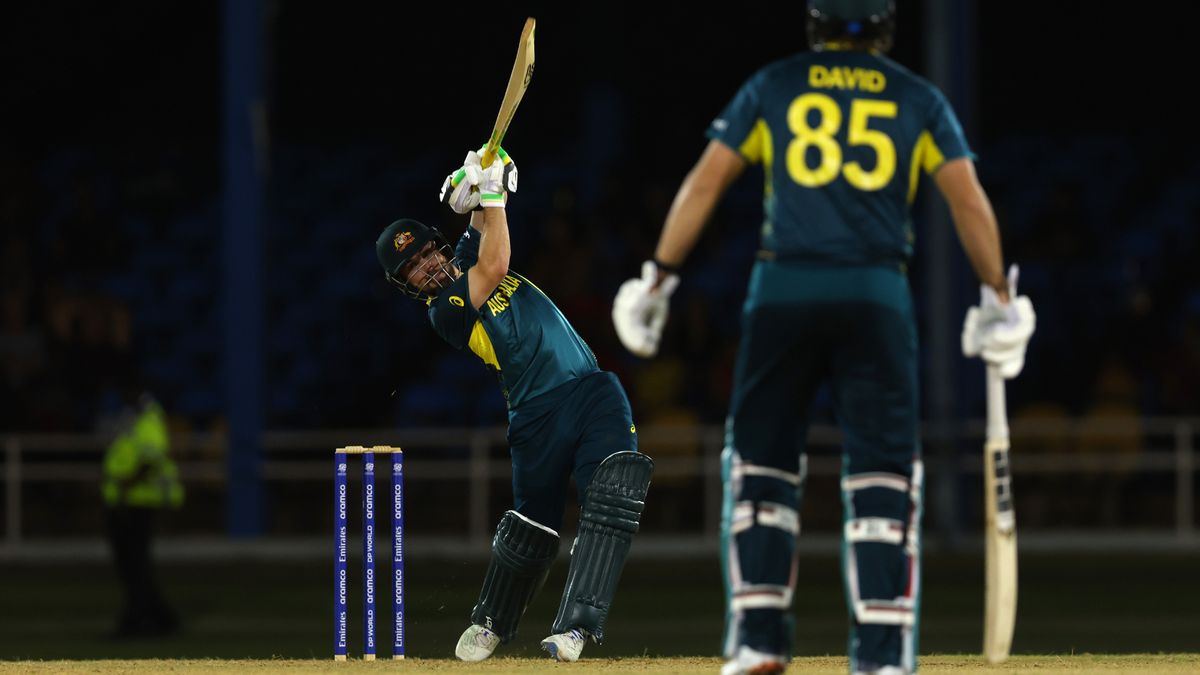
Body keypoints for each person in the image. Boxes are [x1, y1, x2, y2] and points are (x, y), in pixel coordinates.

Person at [611, 2, 1035, 674]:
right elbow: (968, 199)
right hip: (876, 291)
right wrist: (999, 298)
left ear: (816, 22)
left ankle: (757, 637)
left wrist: (658, 277)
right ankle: (883, 653)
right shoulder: (917, 96)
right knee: (885, 471)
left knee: (761, 461)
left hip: (785, 289)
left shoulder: (775, 84)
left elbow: (705, 183)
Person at [375, 146, 654, 663]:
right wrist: (490, 191)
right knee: (531, 529)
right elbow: (498, 257)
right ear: (406, 286)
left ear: (439, 246)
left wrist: (481, 171)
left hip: (591, 391)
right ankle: (491, 623)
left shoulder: (462, 258)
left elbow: (486, 218)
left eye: (427, 254)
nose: (428, 268)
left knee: (614, 495)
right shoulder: (446, 311)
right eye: (413, 269)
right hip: (535, 416)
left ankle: (576, 628)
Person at [101, 386, 184, 638]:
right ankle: (162, 616)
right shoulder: (136, 418)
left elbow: (151, 461)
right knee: (135, 564)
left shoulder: (149, 420)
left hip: (138, 502)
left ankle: (136, 620)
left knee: (133, 565)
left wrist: (126, 487)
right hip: (130, 501)